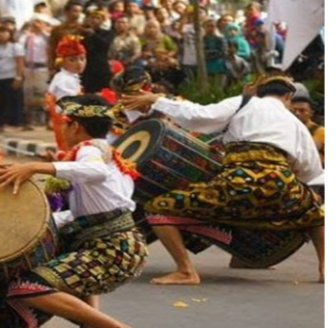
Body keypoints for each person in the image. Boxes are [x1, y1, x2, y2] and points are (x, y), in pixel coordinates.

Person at [0, 95, 146, 328]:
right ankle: (88, 327)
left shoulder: (90, 151)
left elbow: (96, 172)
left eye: (65, 123)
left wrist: (38, 166)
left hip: (112, 247)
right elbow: (83, 211)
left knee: (27, 288)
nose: (61, 129)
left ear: (76, 126)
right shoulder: (107, 152)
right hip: (119, 245)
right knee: (71, 252)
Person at [120, 76, 325, 285]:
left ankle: (186, 271)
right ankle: (325, 269)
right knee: (316, 210)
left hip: (237, 184)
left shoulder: (244, 102)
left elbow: (198, 115)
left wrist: (157, 99)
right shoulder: (295, 123)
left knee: (158, 208)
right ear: (288, 96)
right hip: (281, 186)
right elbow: (311, 171)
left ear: (258, 91)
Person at [46, 35, 86, 151]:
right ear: (61, 62)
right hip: (67, 123)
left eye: (82, 58)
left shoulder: (67, 77)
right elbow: (67, 106)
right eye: (72, 60)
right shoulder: (64, 80)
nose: (79, 63)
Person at [291, 94, 324, 167]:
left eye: (302, 110)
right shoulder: (287, 130)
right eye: (294, 110)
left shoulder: (321, 132)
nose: (297, 113)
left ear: (311, 113)